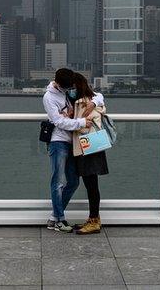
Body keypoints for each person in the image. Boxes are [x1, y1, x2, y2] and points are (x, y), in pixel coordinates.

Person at [43, 67, 95, 232]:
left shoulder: (68, 89)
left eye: (70, 87)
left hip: (72, 142)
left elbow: (97, 95)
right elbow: (58, 122)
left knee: (73, 181)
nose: (69, 90)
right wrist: (80, 123)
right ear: (57, 83)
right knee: (57, 182)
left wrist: (93, 102)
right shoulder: (49, 97)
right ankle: (60, 219)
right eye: (66, 87)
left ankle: (54, 217)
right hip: (57, 142)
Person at [70, 72, 109, 235]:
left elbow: (86, 124)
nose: (70, 90)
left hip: (89, 147)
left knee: (91, 185)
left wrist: (72, 120)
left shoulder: (86, 103)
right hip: (88, 147)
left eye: (72, 86)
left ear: (77, 86)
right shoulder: (88, 100)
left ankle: (94, 220)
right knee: (90, 184)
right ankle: (93, 219)